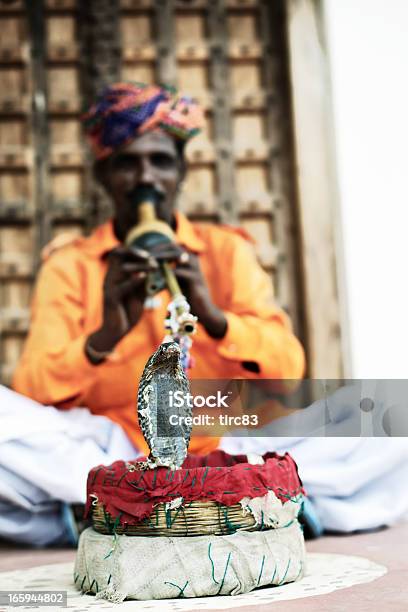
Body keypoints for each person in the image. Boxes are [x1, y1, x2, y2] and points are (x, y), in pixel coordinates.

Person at [12, 83, 305, 458]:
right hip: (110, 448)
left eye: (161, 162)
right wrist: (103, 338)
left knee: (381, 419)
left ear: (181, 170)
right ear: (103, 174)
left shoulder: (225, 251)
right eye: (128, 163)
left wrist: (215, 319)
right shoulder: (70, 265)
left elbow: (289, 375)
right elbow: (29, 392)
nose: (146, 178)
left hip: (223, 441)